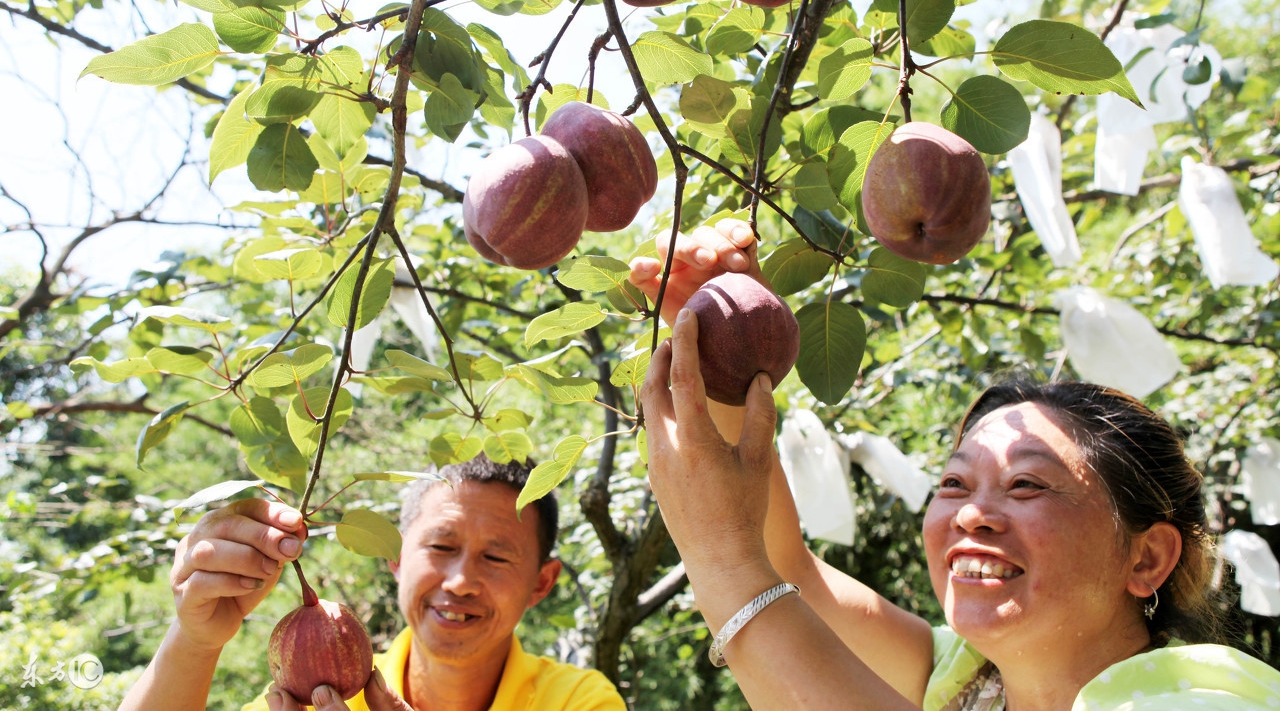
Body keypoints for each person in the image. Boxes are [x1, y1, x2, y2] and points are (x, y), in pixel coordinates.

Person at [630, 218, 1280, 710]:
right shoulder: (963, 679)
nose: (971, 513)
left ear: (1146, 559)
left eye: (1025, 483)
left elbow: (758, 571)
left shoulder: (1203, 696)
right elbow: (787, 568)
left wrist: (722, 561)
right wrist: (728, 351)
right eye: (954, 483)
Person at [119, 456, 626, 711]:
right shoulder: (326, 688)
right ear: (394, 557)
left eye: (496, 556)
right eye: (441, 547)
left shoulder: (577, 700)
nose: (461, 580)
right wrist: (194, 639)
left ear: (541, 583)